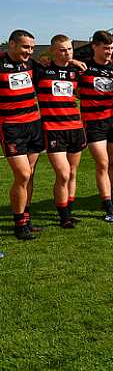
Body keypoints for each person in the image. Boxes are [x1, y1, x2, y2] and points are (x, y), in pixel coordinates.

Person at [80, 30, 113, 223]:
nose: (109, 51)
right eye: (105, 48)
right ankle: (109, 206)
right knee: (102, 162)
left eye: (111, 48)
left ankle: (108, 198)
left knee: (112, 161)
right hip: (93, 121)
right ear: (94, 46)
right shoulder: (83, 67)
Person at [36, 35, 86, 229]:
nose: (67, 53)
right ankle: (63, 216)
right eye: (63, 50)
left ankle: (68, 212)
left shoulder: (76, 71)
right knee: (63, 174)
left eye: (70, 49)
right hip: (53, 129)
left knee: (72, 173)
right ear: (53, 51)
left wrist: (72, 61)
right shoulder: (41, 70)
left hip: (75, 127)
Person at [1, 30, 45, 240]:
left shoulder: (31, 65)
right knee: (23, 175)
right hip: (11, 128)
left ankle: (26, 219)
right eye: (25, 47)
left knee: (31, 174)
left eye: (32, 48)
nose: (29, 52)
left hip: (34, 126)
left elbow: (56, 65)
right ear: (11, 44)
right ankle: (19, 224)